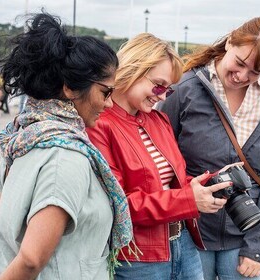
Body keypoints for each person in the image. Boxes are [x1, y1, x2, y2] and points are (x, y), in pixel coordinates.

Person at [0, 12, 132, 280]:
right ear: (71, 88)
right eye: (106, 92)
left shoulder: (24, 135)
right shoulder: (66, 156)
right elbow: (31, 259)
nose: (109, 103)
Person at [158, 17, 260, 279]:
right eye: (240, 63)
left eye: (255, 72)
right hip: (191, 232)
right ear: (230, 42)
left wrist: (259, 248)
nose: (242, 76)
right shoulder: (185, 89)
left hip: (249, 234)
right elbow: (160, 156)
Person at [86, 33, 232, 280]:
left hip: (183, 243)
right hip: (138, 256)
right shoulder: (99, 124)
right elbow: (119, 204)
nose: (163, 96)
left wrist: (210, 184)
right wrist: (189, 200)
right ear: (133, 69)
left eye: (169, 89)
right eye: (159, 85)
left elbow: (173, 181)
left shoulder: (158, 119)